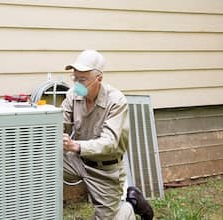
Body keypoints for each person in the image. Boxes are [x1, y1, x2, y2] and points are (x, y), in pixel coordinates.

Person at [62, 50, 154, 219]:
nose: (77, 84)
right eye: (74, 78)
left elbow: (109, 143)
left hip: (105, 169)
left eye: (82, 80)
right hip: (77, 161)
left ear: (99, 78)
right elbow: (62, 126)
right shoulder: (72, 95)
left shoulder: (116, 101)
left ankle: (131, 205)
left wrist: (75, 145)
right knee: (45, 164)